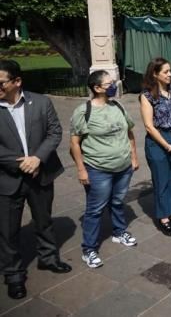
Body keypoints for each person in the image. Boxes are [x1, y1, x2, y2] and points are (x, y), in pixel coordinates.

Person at [0, 60, 71, 300]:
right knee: (7, 231)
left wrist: (38, 158)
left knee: (44, 220)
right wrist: (21, 162)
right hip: (8, 178)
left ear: (17, 82)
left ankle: (48, 259)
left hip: (40, 174)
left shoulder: (41, 102)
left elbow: (54, 132)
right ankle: (14, 275)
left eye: (1, 82)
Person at [70, 71, 139, 269]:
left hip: (123, 167)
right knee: (95, 209)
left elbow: (129, 131)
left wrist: (133, 157)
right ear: (97, 88)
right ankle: (89, 249)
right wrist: (81, 170)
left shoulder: (117, 105)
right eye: (109, 83)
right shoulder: (84, 111)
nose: (114, 85)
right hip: (98, 169)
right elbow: (74, 143)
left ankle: (119, 232)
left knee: (117, 202)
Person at [140, 57, 171, 236]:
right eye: (166, 72)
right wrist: (167, 145)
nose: (170, 74)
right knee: (161, 180)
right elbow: (148, 126)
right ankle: (163, 218)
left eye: (170, 71)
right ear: (155, 74)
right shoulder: (147, 96)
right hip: (158, 141)